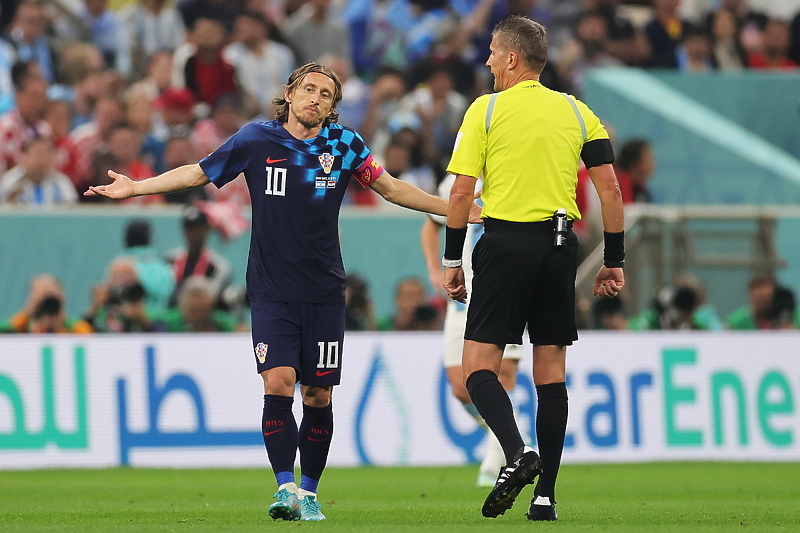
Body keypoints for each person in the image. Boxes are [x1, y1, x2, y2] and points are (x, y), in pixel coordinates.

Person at [85, 62, 479, 522]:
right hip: (271, 289)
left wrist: (456, 211)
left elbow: (391, 189)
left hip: (326, 291)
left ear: (332, 106)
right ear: (289, 94)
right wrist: (136, 188)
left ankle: (310, 491)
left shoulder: (344, 144)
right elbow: (198, 173)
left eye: (326, 94)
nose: (315, 98)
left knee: (318, 395)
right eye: (308, 89)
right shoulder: (256, 140)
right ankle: (285, 487)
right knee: (278, 381)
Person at [441, 16, 624, 522]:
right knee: (550, 373)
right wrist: (614, 260)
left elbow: (460, 192)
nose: (488, 61)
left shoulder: (487, 109)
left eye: (494, 53)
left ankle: (517, 453)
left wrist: (452, 259)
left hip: (503, 244)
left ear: (513, 59)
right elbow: (610, 191)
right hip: (559, 248)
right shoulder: (577, 110)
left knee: (478, 366)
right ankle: (546, 497)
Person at [421, 173, 523, 487]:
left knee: (500, 376)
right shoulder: (456, 177)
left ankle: (494, 463)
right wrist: (435, 269)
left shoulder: (514, 163)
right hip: (462, 298)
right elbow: (432, 225)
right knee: (460, 386)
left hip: (506, 292)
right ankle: (510, 436)